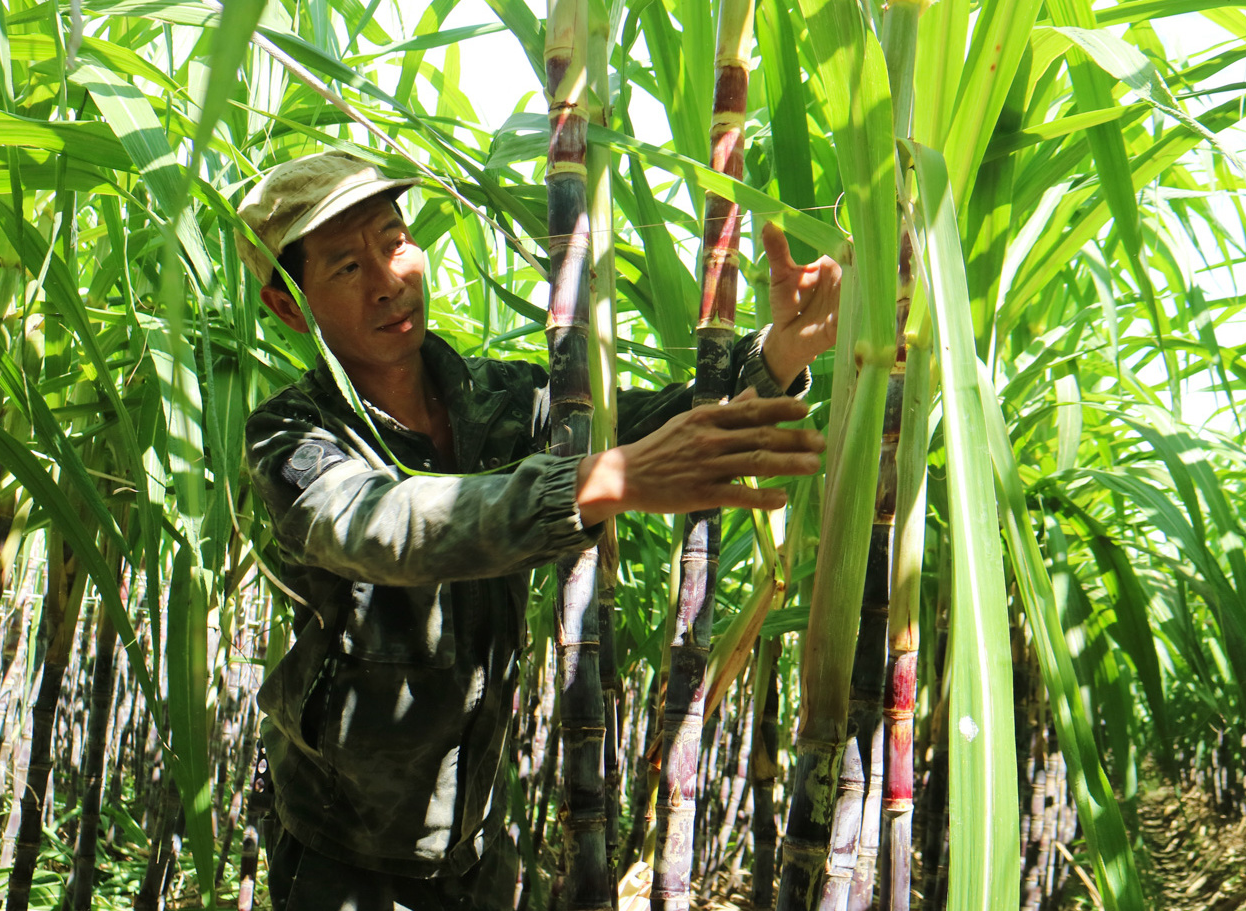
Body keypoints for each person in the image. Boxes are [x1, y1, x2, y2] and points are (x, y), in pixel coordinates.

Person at [238, 150, 842, 910]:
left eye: (394, 240)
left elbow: (654, 430)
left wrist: (784, 348)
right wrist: (598, 482)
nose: (389, 279)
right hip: (343, 851)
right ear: (291, 306)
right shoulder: (290, 435)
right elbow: (384, 525)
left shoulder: (497, 398)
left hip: (480, 840)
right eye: (346, 267)